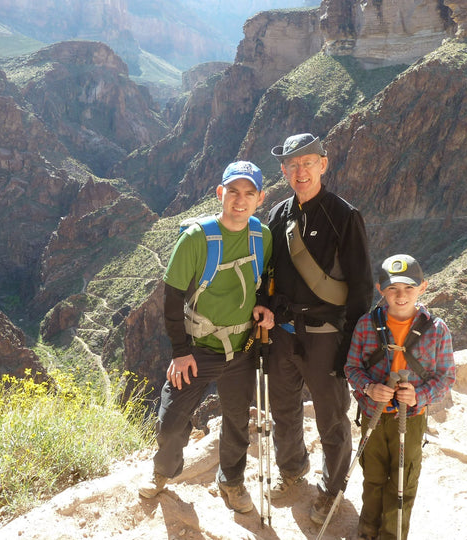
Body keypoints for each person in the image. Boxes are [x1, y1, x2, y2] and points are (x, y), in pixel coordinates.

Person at [138, 160, 274, 514]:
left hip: (243, 347)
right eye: (233, 192)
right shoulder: (196, 239)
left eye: (248, 193)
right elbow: (170, 299)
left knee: (237, 420)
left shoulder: (263, 236)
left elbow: (264, 284)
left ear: (260, 198)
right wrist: (180, 353)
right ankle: (163, 472)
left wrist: (264, 307)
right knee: (170, 422)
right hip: (198, 350)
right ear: (220, 193)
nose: (239, 200)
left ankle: (231, 480)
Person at [264, 133, 373, 524]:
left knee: (331, 416)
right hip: (283, 333)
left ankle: (332, 488)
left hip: (327, 335)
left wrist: (352, 348)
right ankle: (293, 472)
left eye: (307, 162)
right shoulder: (278, 216)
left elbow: (361, 286)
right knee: (284, 409)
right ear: (283, 171)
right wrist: (264, 309)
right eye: (292, 165)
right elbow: (268, 274)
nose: (300, 171)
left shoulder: (344, 216)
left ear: (323, 165)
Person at [345, 254, 455, 540]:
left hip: (412, 417)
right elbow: (352, 367)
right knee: (373, 477)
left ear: (423, 287)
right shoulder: (367, 325)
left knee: (403, 482)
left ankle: (392, 535)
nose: (401, 295)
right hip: (374, 413)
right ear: (381, 290)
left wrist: (418, 395)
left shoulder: (437, 330)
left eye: (408, 287)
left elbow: (446, 377)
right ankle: (368, 530)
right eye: (393, 288)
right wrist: (369, 388)